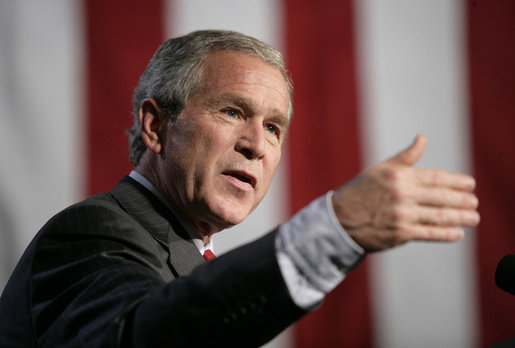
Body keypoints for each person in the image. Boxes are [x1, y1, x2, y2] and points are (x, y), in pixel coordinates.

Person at [0, 30, 480, 347]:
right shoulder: (93, 233)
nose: (257, 145)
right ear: (155, 125)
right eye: (232, 111)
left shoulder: (181, 252)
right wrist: (332, 232)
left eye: (274, 128)